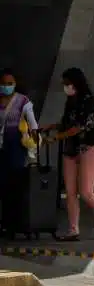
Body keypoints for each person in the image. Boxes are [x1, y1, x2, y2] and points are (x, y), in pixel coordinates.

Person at [41, 67, 94, 241]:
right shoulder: (70, 101)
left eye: (67, 83)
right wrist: (51, 127)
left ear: (76, 82)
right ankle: (73, 229)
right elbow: (66, 123)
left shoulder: (90, 101)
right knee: (70, 191)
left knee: (85, 192)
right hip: (70, 149)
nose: (65, 87)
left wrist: (56, 137)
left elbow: (79, 127)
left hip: (88, 147)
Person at [0, 69, 38, 240]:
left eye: (10, 83)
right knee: (2, 185)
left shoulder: (23, 100)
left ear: (15, 84)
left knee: (14, 184)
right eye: (4, 83)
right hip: (1, 146)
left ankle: (14, 224)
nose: (6, 87)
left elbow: (32, 122)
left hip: (16, 145)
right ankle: (5, 222)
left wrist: (36, 139)